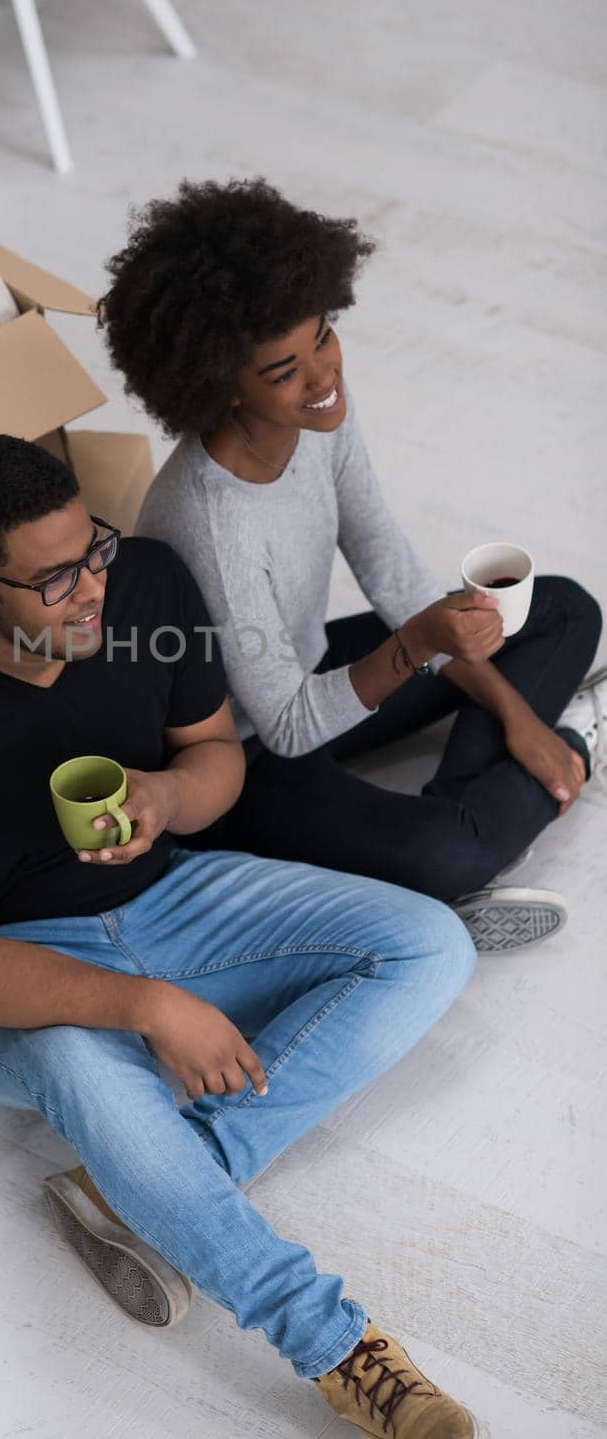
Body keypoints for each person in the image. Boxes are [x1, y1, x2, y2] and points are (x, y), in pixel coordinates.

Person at [0, 433, 484, 1437]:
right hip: (3, 964)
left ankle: (137, 1182)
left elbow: (214, 751)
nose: (92, 588)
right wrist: (147, 1003)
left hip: (168, 894)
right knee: (77, 1062)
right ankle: (338, 1346)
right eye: (52, 579)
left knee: (433, 943)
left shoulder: (143, 585)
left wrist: (173, 794)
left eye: (90, 549)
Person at [100, 178, 604, 953]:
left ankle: (496, 790)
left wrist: (516, 715)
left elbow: (388, 564)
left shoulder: (322, 410)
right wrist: (421, 648)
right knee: (442, 853)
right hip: (241, 751)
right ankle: (563, 757)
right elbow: (291, 725)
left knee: (564, 608)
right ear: (215, 385)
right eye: (283, 371)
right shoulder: (206, 522)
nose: (323, 375)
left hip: (308, 666)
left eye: (324, 334)